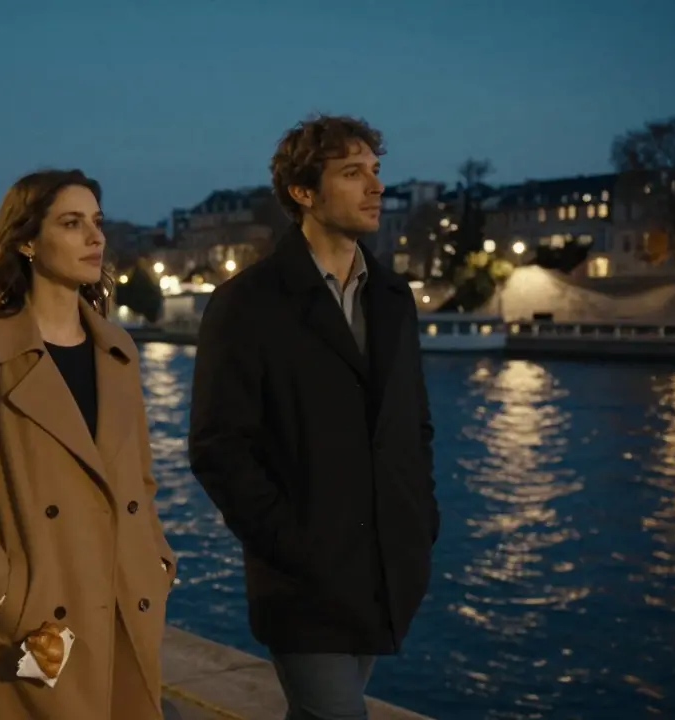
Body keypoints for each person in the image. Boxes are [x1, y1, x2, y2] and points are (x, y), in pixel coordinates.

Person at [188, 114, 439, 720]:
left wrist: (419, 519)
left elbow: (414, 423)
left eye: (375, 170)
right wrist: (290, 543)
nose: (376, 186)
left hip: (382, 564)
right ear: (303, 191)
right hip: (302, 578)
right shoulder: (247, 302)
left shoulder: (393, 298)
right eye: (352, 173)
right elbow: (218, 447)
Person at [0, 169, 177, 720]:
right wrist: (4, 599)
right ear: (27, 241)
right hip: (34, 631)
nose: (95, 237)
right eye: (72, 223)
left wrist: (157, 564)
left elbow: (138, 483)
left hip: (125, 609)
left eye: (97, 222)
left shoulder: (118, 352)